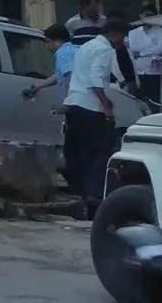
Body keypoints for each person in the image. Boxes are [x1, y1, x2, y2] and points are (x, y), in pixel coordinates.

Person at [64, 18, 130, 214]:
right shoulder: (105, 49)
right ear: (115, 33)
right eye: (123, 36)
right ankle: (94, 194)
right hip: (91, 106)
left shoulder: (86, 46)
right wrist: (106, 105)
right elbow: (95, 80)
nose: (122, 42)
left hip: (74, 103)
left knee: (81, 152)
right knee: (103, 149)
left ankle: (83, 193)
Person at [22, 24, 76, 101]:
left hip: (75, 101)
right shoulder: (73, 49)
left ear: (59, 40)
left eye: (48, 42)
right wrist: (38, 86)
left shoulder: (63, 53)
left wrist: (69, 102)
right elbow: (59, 75)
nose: (47, 46)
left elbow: (69, 76)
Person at [126, 14, 162, 105]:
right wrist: (151, 50)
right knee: (145, 98)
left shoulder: (159, 31)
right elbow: (133, 49)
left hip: (156, 70)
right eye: (145, 16)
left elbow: (159, 49)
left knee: (156, 98)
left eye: (150, 15)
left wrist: (142, 53)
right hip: (140, 70)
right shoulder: (133, 33)